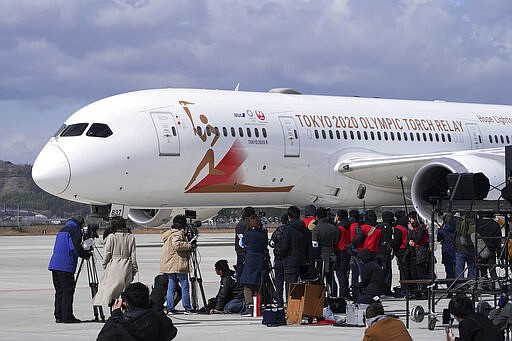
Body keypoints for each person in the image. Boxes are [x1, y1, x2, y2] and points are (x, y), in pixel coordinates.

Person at [96, 282, 177, 341]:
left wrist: (114, 317)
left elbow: (103, 338)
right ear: (148, 301)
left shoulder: (118, 325)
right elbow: (171, 331)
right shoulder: (157, 321)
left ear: (126, 304)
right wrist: (155, 307)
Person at [48, 216, 90, 323]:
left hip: (54, 265)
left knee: (59, 291)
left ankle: (59, 316)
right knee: (68, 291)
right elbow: (74, 248)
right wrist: (84, 254)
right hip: (65, 266)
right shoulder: (75, 230)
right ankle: (67, 316)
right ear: (80, 224)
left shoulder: (62, 230)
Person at [93, 216, 138, 310]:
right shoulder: (131, 237)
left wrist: (105, 264)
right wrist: (134, 268)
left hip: (114, 265)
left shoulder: (111, 237)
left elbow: (107, 253)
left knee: (112, 292)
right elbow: (133, 254)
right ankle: (126, 310)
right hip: (127, 265)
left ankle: (114, 312)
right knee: (126, 292)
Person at [159, 215, 195, 314]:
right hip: (178, 263)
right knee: (185, 286)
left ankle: (170, 308)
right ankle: (187, 307)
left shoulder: (169, 234)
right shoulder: (178, 234)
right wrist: (189, 245)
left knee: (171, 286)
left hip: (171, 264)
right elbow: (176, 244)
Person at [239, 214, 268, 317]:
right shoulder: (263, 234)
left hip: (250, 259)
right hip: (260, 259)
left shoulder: (248, 234)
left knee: (247, 284)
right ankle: (257, 306)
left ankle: (249, 307)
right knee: (257, 284)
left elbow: (242, 243)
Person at [280, 206, 309, 298]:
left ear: (289, 217)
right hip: (302, 260)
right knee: (301, 286)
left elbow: (285, 246)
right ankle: (299, 307)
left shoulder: (288, 229)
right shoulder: (305, 229)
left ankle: (291, 308)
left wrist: (281, 255)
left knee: (290, 286)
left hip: (290, 261)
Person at [311, 207, 340, 296]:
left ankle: (319, 297)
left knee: (319, 278)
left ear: (317, 216)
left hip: (320, 256)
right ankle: (334, 296)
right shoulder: (334, 228)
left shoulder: (316, 229)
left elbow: (314, 245)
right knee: (331, 278)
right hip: (332, 255)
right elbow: (336, 241)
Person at [269, 213, 288, 307]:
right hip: (288, 260)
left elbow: (271, 244)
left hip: (279, 259)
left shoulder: (278, 231)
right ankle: (290, 303)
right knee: (289, 283)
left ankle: (280, 303)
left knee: (279, 283)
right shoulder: (291, 230)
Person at [334, 209, 351, 298]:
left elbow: (335, 241)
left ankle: (342, 293)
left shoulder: (339, 228)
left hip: (340, 251)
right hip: (347, 251)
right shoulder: (348, 226)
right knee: (345, 273)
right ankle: (346, 292)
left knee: (340, 273)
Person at [235, 206, 255, 282]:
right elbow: (243, 241)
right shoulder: (247, 224)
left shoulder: (241, 223)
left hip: (241, 252)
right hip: (245, 253)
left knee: (242, 274)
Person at [437, 213, 457, 279]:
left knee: (448, 270)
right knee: (457, 270)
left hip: (446, 251)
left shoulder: (443, 230)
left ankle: (449, 284)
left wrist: (439, 229)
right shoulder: (456, 228)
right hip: (455, 251)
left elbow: (438, 238)